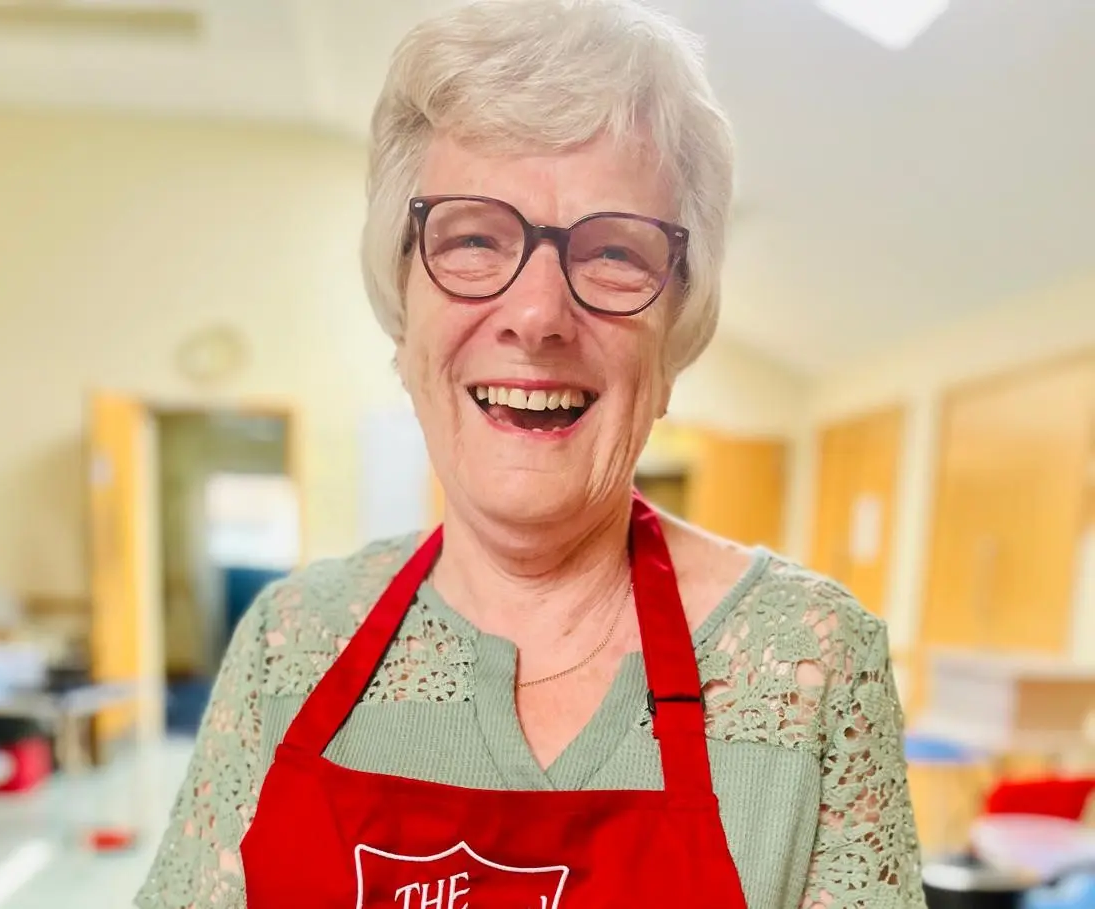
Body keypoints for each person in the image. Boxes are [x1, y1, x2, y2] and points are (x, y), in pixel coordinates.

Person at [135, 0, 925, 906]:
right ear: (404, 314)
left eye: (615, 253)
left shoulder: (810, 663)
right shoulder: (288, 643)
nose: (539, 314)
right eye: (474, 238)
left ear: (673, 340)